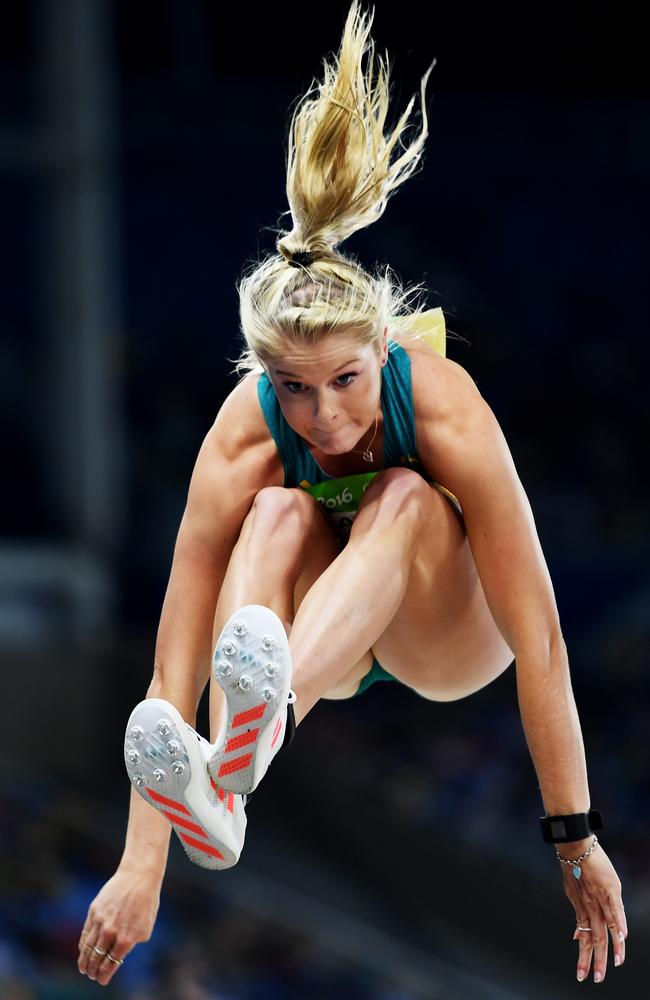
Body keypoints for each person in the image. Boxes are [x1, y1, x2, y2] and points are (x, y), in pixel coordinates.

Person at [78, 1, 627, 988]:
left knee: (403, 499)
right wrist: (139, 866)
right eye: (292, 388)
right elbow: (169, 674)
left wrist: (572, 836)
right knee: (274, 510)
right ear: (261, 375)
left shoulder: (445, 408)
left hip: (439, 630)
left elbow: (537, 634)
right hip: (312, 629)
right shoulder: (243, 432)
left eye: (343, 382)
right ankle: (225, 791)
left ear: (383, 353)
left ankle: (259, 725)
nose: (322, 418)